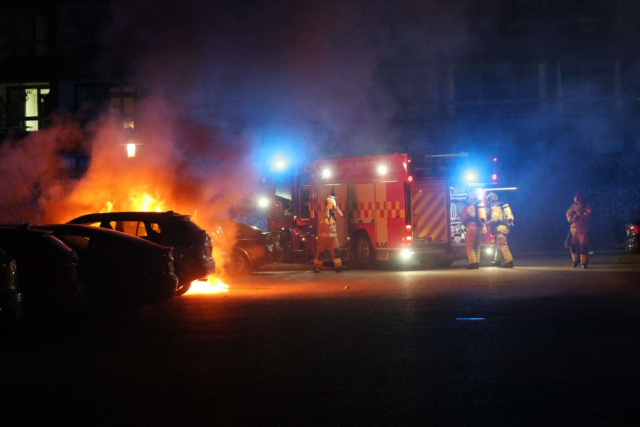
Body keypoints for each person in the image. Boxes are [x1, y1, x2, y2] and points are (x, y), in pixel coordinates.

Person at [314, 196, 344, 273]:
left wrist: (335, 207)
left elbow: (341, 215)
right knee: (320, 253)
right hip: (323, 238)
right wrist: (327, 208)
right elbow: (326, 217)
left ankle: (338, 266)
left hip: (333, 238)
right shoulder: (321, 214)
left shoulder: (333, 215)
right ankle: (317, 267)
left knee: (336, 252)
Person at [486, 192, 514, 268]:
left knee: (502, 245)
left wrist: (485, 224)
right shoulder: (502, 206)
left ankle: (509, 262)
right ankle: (497, 261)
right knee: (498, 245)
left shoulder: (496, 207)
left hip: (500, 229)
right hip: (505, 228)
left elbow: (494, 219)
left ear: (490, 199)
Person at [459, 192, 485, 269]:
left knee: (470, 247)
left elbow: (463, 218)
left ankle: (472, 263)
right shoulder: (480, 206)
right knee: (477, 246)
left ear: (469, 198)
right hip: (480, 227)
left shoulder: (468, 206)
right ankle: (477, 263)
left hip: (471, 227)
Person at [566, 192, 592, 269]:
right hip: (573, 229)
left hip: (583, 229)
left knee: (583, 246)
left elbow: (589, 215)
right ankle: (575, 260)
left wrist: (579, 217)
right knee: (573, 246)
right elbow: (568, 214)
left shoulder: (587, 206)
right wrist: (571, 219)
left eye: (579, 200)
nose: (578, 201)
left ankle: (584, 263)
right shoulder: (573, 206)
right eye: (577, 200)